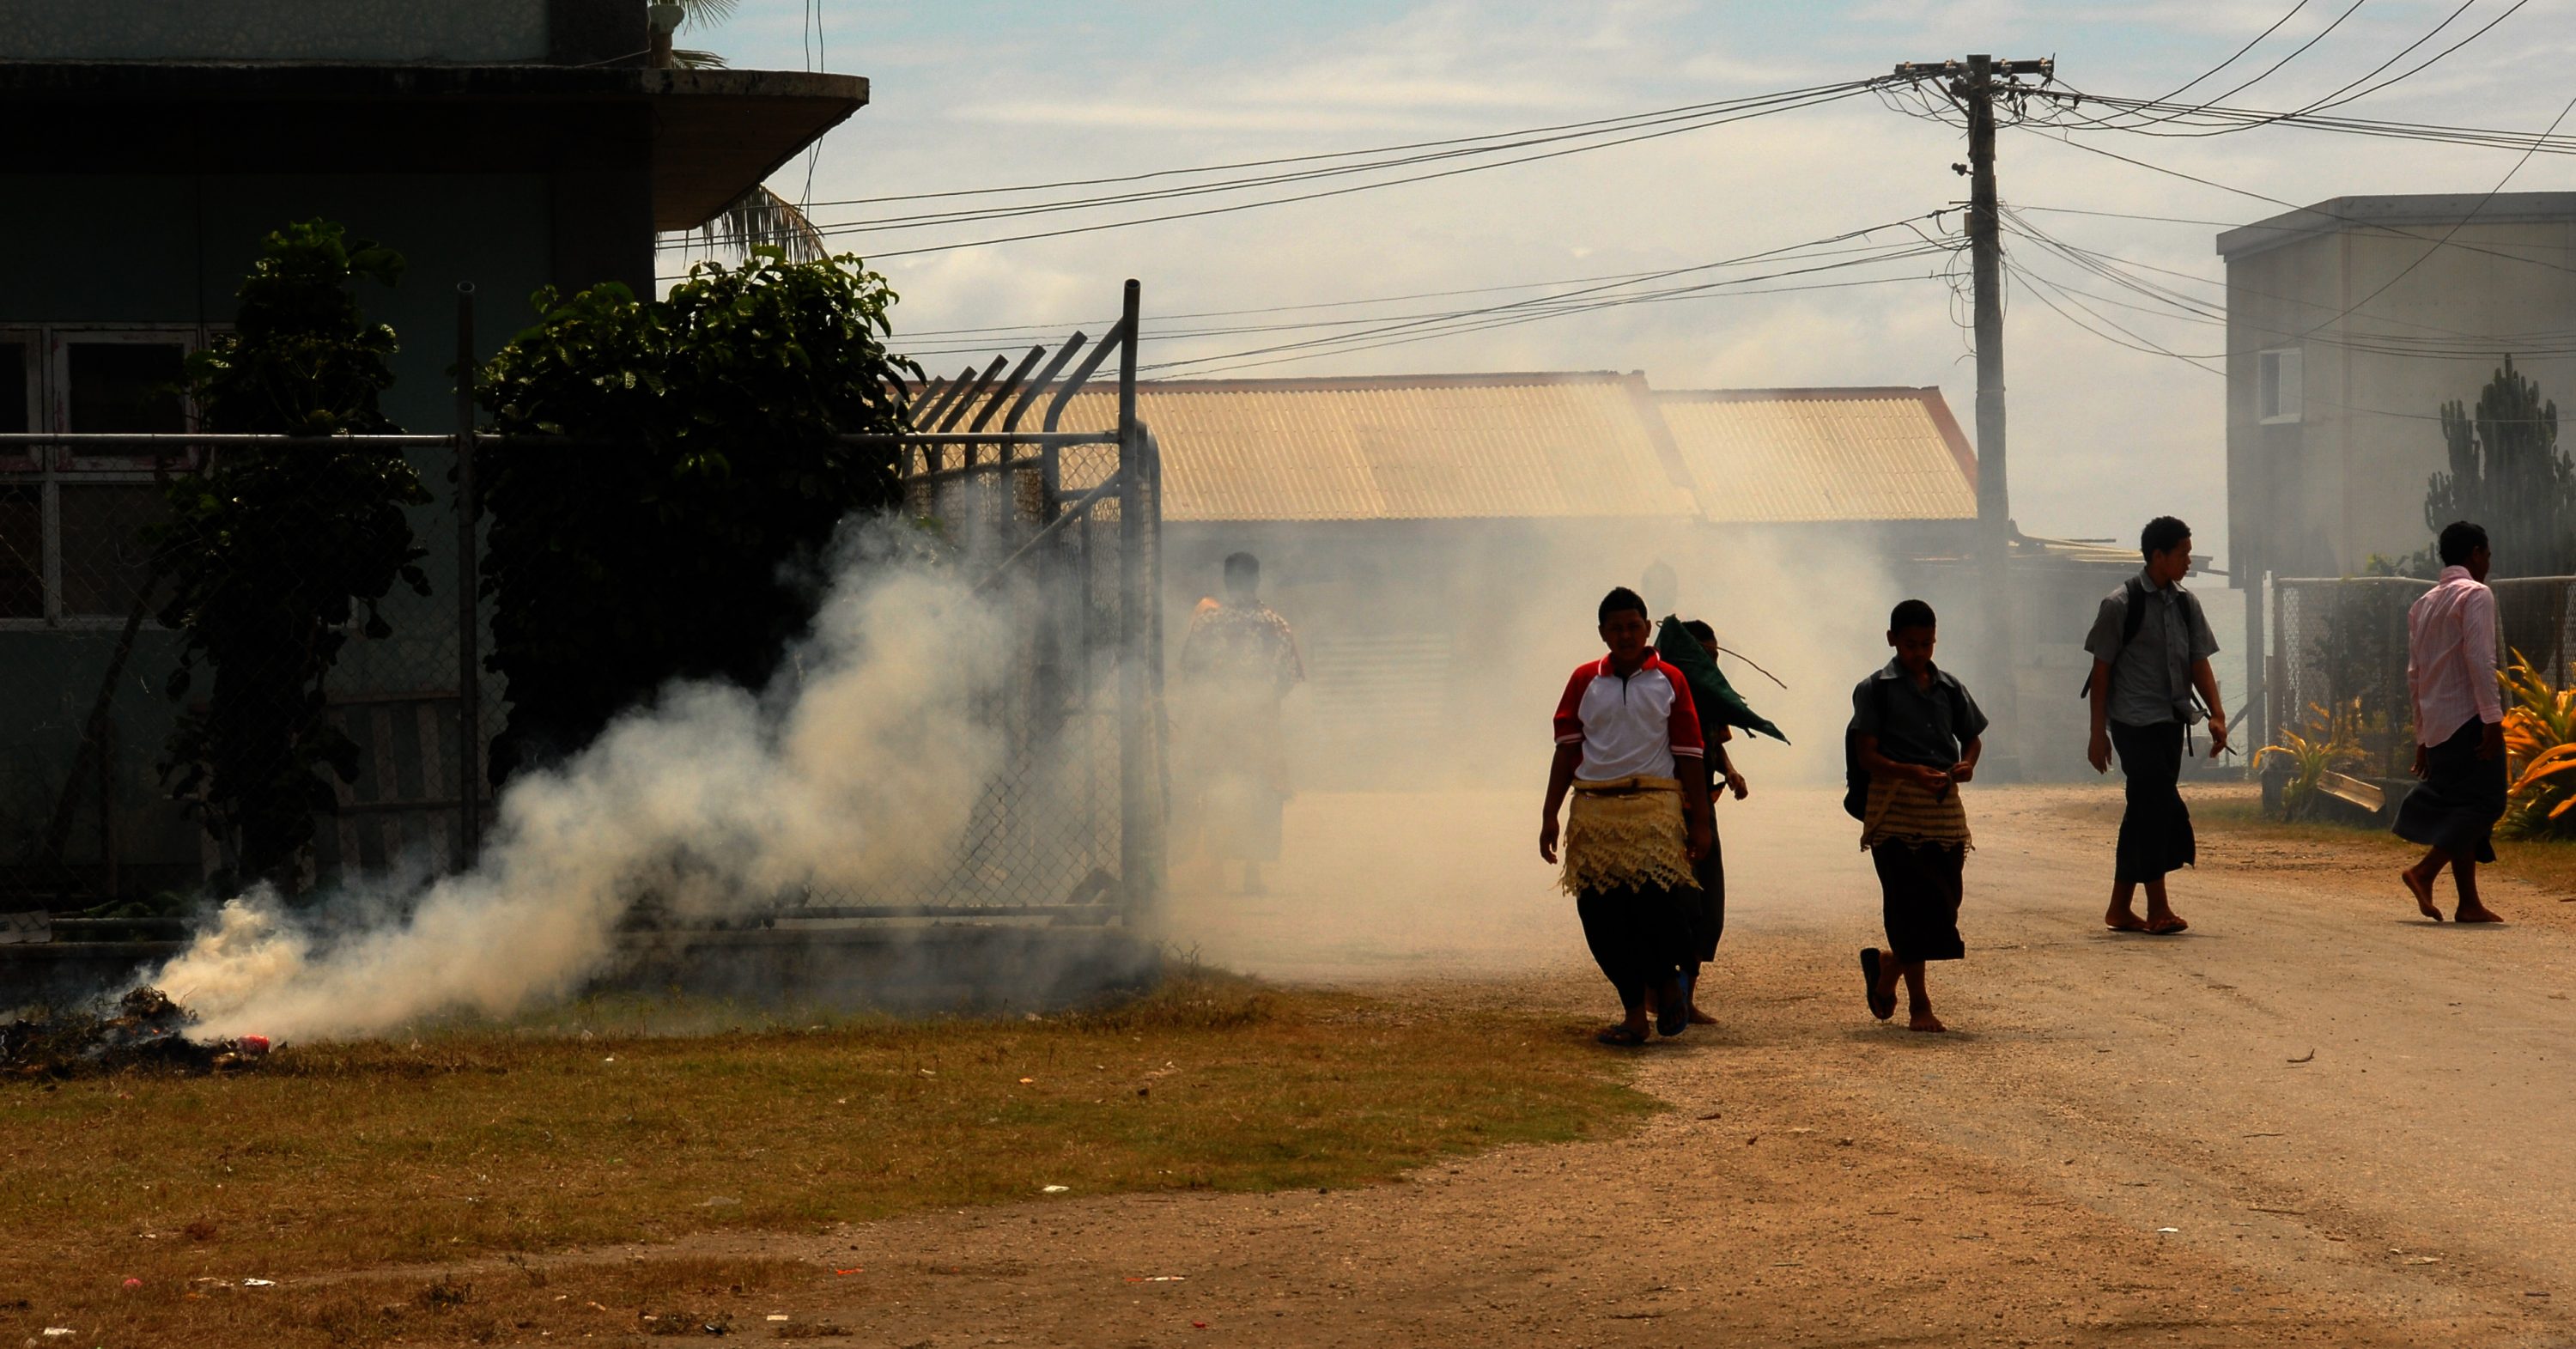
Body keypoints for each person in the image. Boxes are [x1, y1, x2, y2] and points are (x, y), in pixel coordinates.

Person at [1540, 587, 1715, 1047]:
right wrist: (1549, 815)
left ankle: (1666, 981)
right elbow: (1566, 751)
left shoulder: (1670, 680)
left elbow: (1691, 754)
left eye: (1633, 626)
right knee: (1600, 916)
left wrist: (1700, 821)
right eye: (1615, 628)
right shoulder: (1583, 681)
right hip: (1593, 812)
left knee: (1658, 908)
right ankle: (1635, 1015)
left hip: (1653, 810)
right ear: (1602, 632)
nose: (1625, 635)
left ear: (1646, 627)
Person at [2082, 516, 2227, 936]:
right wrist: (2098, 734)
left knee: (2142, 809)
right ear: (2158, 555)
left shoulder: (2186, 604)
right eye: (2182, 553)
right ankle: (2158, 907)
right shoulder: (2120, 605)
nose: (2187, 560)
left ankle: (2119, 908)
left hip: (2170, 721)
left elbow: (2200, 662)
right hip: (2133, 723)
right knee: (2158, 805)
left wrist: (2216, 716)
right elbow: (2101, 672)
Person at [1851, 599, 1986, 1034]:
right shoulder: (1875, 689)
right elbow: (1866, 754)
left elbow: (1972, 738)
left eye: (1927, 644)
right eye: (1910, 644)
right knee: (1908, 904)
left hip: (1942, 808)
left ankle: (1889, 965)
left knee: (1945, 901)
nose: (1919, 653)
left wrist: (1967, 764)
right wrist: (1909, 771)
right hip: (1893, 806)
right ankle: (1919, 1005)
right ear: (1892, 640)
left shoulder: (1949, 687)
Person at [2395, 521, 2508, 924]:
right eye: (2488, 556)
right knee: (2488, 802)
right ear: (2475, 554)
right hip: (2470, 718)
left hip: (2440, 723)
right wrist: (2492, 719)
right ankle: (2425, 871)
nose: (2489, 565)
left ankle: (2469, 903)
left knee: (2462, 806)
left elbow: (2415, 673)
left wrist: (2423, 736)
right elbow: (2480, 658)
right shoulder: (2476, 594)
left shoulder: (2423, 603)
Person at [1177, 552, 1303, 895]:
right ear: (1256, 580)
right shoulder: (1276, 625)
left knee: (1218, 792)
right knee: (1261, 795)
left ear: (1228, 581)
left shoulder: (1208, 623)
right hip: (1260, 728)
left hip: (1217, 725)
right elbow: (1289, 679)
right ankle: (1252, 874)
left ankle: (1217, 871)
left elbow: (1189, 670)